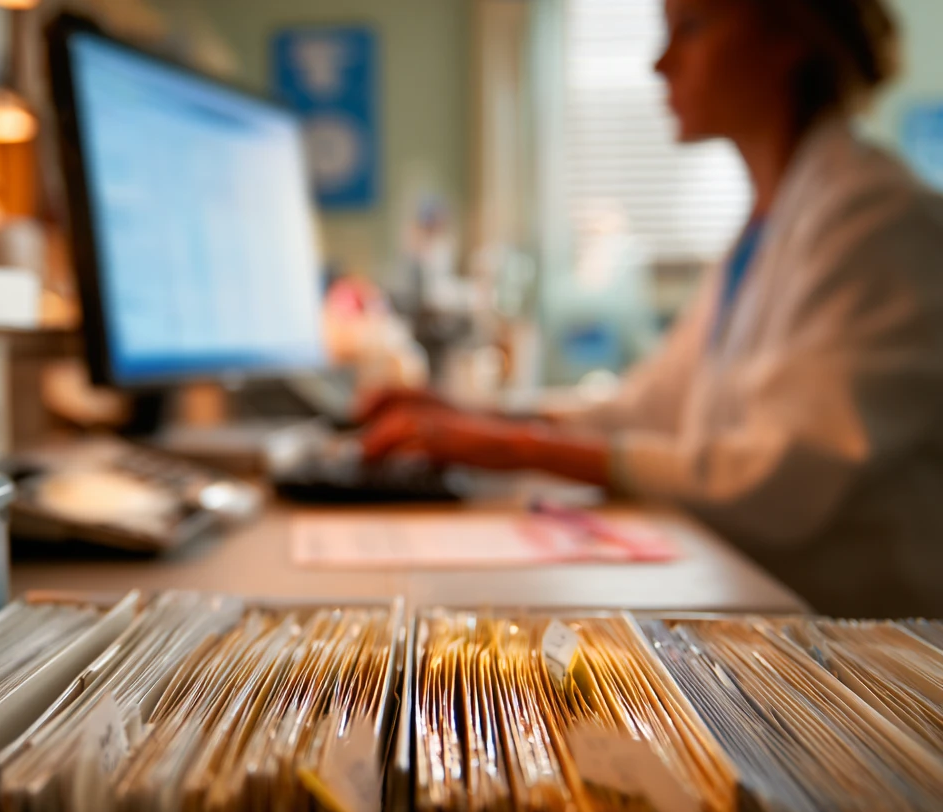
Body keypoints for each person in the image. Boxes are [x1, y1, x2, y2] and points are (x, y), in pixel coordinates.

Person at [359, 0, 943, 617]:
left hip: (861, 659)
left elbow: (780, 478)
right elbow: (649, 409)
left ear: (790, 34)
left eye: (690, 29)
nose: (661, 63)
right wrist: (479, 419)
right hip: (777, 618)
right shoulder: (772, 224)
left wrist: (520, 446)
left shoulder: (874, 217)